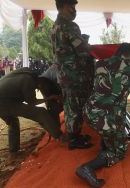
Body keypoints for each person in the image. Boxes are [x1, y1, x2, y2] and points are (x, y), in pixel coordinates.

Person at [76, 43, 130, 187]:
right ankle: (88, 167)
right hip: (107, 116)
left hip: (89, 112)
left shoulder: (100, 63)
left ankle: (106, 147)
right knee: (120, 150)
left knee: (110, 131)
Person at [0, 67, 63, 153]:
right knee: (40, 112)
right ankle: (60, 137)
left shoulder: (25, 74)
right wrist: (50, 98)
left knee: (13, 122)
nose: (39, 89)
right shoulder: (28, 80)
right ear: (40, 82)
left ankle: (14, 150)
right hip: (0, 102)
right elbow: (32, 102)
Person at [51, 0, 94, 149]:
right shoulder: (70, 25)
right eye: (71, 6)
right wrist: (88, 45)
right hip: (75, 74)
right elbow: (82, 50)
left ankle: (74, 136)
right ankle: (74, 140)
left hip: (64, 74)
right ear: (62, 6)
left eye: (74, 6)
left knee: (70, 105)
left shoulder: (55, 25)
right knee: (75, 106)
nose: (74, 10)